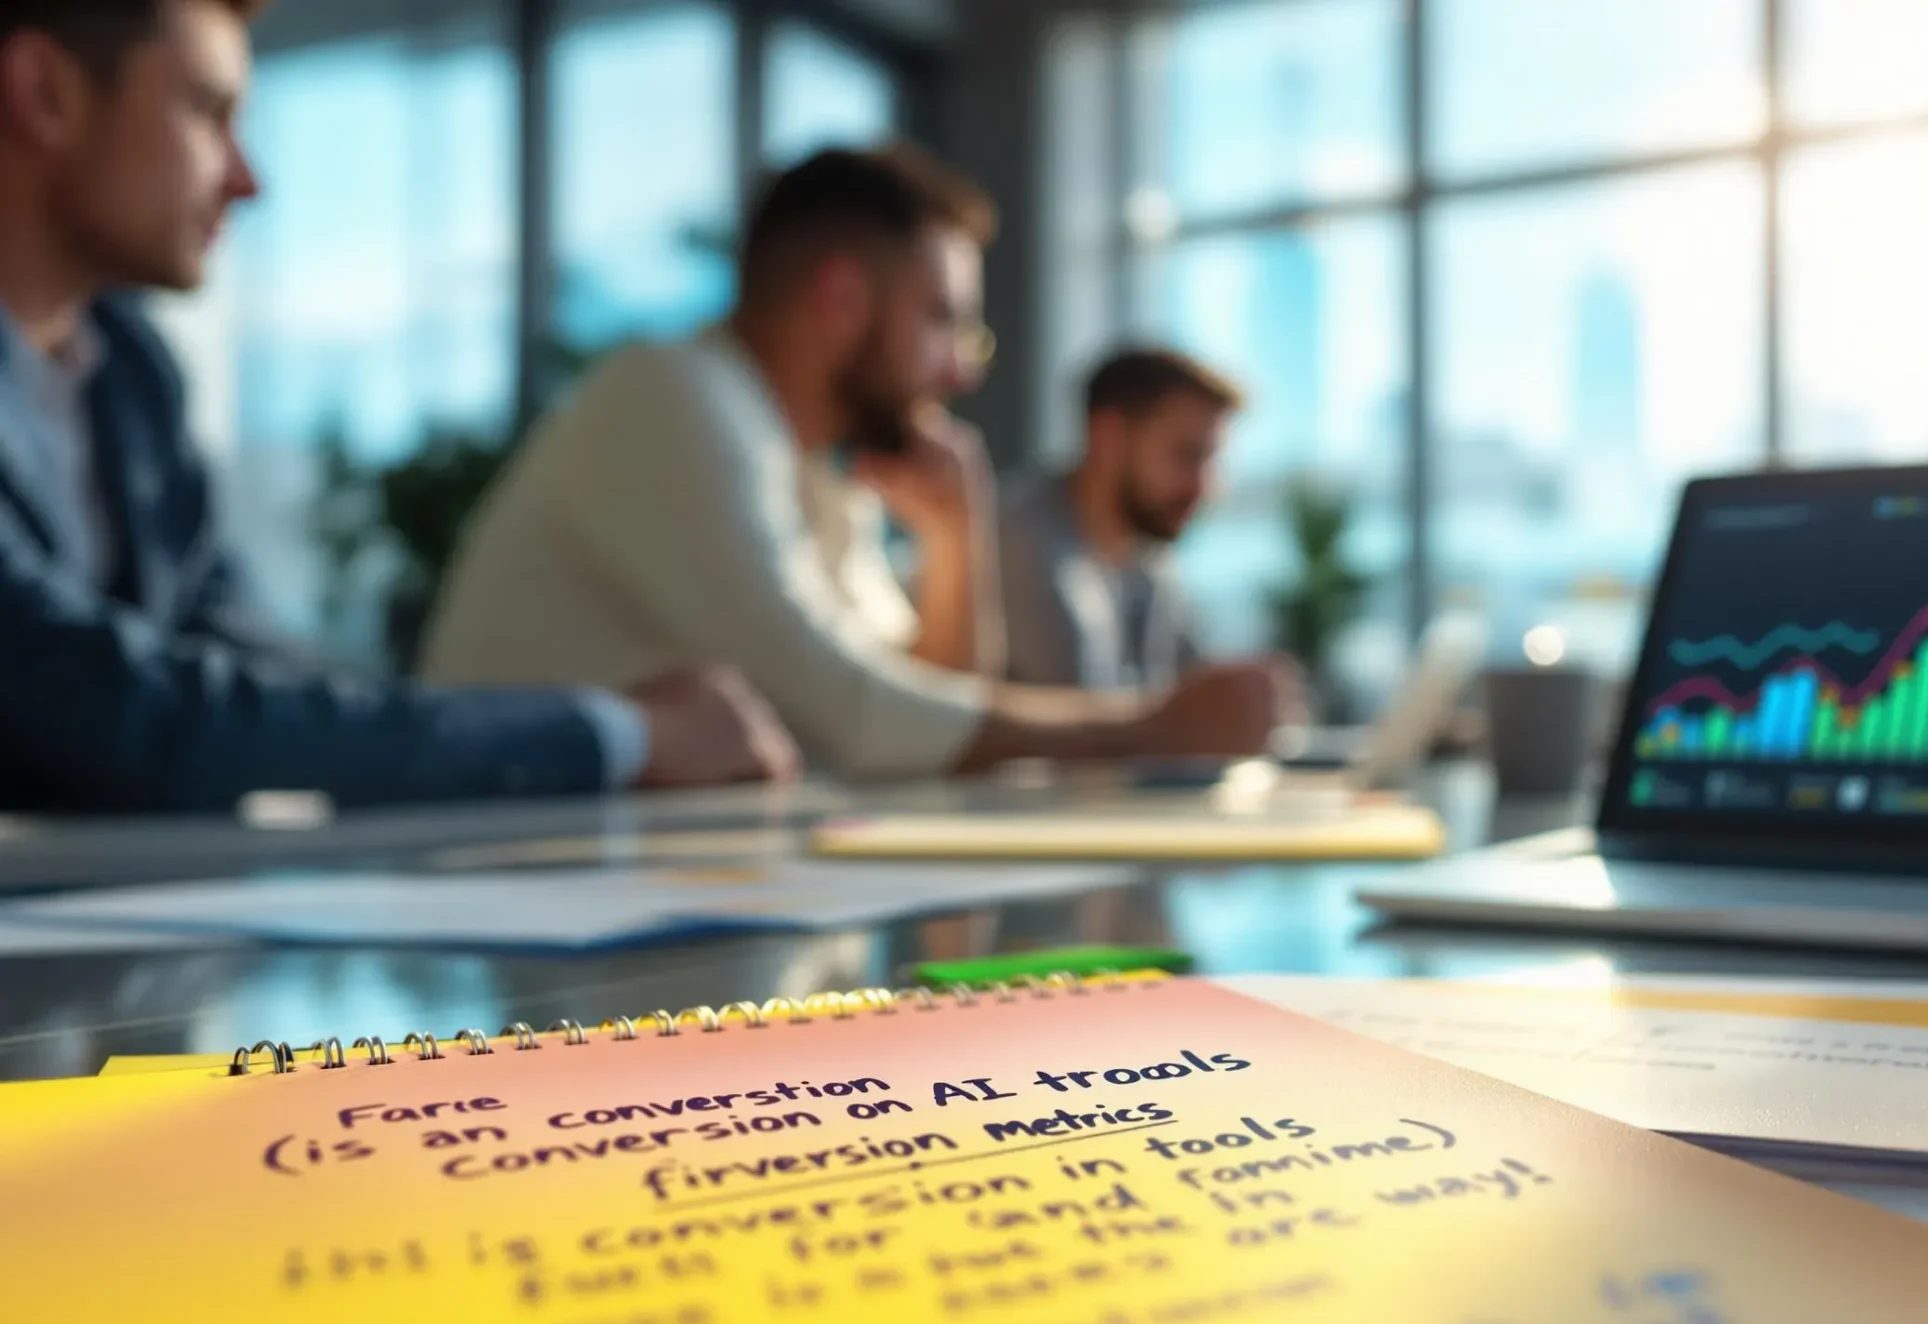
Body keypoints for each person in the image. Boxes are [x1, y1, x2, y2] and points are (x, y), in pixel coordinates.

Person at [0, 0, 799, 814]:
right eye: (208, 113)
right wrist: (619, 734)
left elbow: (260, 671)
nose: (247, 179)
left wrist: (561, 730)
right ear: (44, 92)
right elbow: (122, 718)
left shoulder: (130, 374)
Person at [421, 146, 1289, 781]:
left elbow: (916, 722)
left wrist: (953, 548)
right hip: (489, 898)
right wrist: (1150, 726)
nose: (965, 368)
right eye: (944, 320)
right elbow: (857, 721)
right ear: (840, 299)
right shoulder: (671, 396)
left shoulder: (818, 472)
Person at [998, 348, 1236, 692]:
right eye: (1186, 455)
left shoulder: (1147, 557)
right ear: (1109, 436)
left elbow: (1193, 690)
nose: (1205, 488)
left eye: (1212, 462)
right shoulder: (1019, 543)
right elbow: (1086, 726)